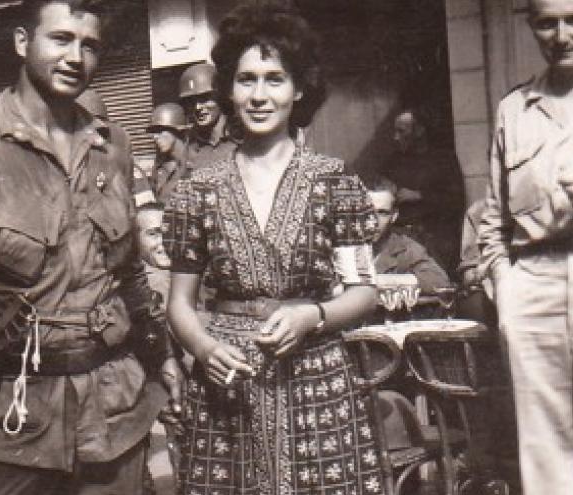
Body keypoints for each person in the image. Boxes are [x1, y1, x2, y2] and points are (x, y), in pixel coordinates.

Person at [0, 1, 184, 494]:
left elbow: (128, 273)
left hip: (115, 410)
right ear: (23, 42)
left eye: (90, 46)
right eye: (61, 39)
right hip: (13, 418)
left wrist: (162, 358)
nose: (76, 57)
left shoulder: (112, 146)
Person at [164, 2, 382, 493]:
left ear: (299, 88)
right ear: (228, 89)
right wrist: (202, 347)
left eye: (274, 79)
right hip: (226, 388)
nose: (259, 95)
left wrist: (313, 316)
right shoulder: (197, 188)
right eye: (246, 80)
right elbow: (178, 302)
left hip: (318, 381)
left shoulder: (334, 180)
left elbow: (364, 292)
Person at [478, 1, 573, 494]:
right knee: (545, 454)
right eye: (547, 23)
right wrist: (505, 288)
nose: (561, 35)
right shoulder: (515, 108)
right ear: (530, 25)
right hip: (532, 285)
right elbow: (493, 219)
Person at [379, 108, 465, 275]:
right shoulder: (393, 162)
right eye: (395, 131)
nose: (395, 137)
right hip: (402, 242)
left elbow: (456, 201)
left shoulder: (444, 159)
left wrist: (419, 196)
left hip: (435, 242)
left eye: (401, 131)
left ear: (419, 131)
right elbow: (379, 194)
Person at [367, 177, 449, 294]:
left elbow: (439, 281)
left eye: (382, 213)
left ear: (394, 216)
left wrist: (377, 281)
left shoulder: (404, 247)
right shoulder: (340, 244)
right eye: (367, 212)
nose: (373, 221)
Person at [178, 62, 238, 169]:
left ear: (220, 98)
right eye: (191, 102)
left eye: (204, 99)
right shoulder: (191, 147)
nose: (197, 107)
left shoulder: (240, 138)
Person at [146, 103, 190, 203]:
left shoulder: (194, 161)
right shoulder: (159, 166)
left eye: (160, 130)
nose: (155, 136)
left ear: (177, 130)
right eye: (153, 132)